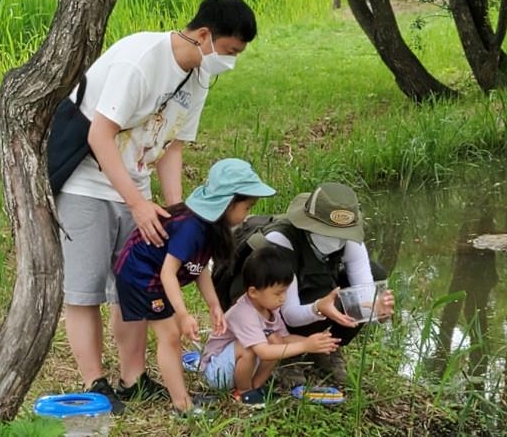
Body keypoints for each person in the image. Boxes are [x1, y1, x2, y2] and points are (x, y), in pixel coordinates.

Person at [54, 0, 258, 414]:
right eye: (231, 51)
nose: (232, 62)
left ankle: (133, 378)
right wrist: (137, 204)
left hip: (137, 182)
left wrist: (181, 212)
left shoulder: (200, 75)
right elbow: (99, 135)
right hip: (86, 182)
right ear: (204, 35)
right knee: (85, 289)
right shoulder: (141, 61)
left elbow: (173, 146)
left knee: (133, 282)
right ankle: (95, 384)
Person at [114, 158, 276, 414]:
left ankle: (182, 397)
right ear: (228, 203)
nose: (247, 213)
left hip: (155, 274)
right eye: (247, 207)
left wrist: (213, 305)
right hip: (141, 275)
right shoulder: (192, 227)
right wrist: (183, 313)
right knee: (170, 336)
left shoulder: (211, 227)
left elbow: (198, 268)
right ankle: (182, 405)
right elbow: (168, 274)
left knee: (173, 335)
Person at [223, 182, 395, 386]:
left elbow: (365, 295)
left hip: (308, 296)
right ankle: (287, 354)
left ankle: (327, 348)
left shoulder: (350, 241)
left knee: (375, 277)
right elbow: (289, 313)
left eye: (343, 233)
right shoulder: (280, 241)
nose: (338, 239)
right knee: (328, 296)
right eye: (329, 231)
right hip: (266, 305)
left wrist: (378, 311)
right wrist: (319, 308)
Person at [200, 245, 341, 408]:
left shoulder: (270, 309)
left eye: (285, 292)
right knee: (249, 348)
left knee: (277, 340)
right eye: (278, 293)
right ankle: (244, 392)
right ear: (253, 292)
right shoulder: (244, 313)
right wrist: (304, 346)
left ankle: (256, 387)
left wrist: (313, 342)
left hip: (237, 367)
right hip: (215, 373)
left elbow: (284, 339)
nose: (283, 298)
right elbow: (263, 352)